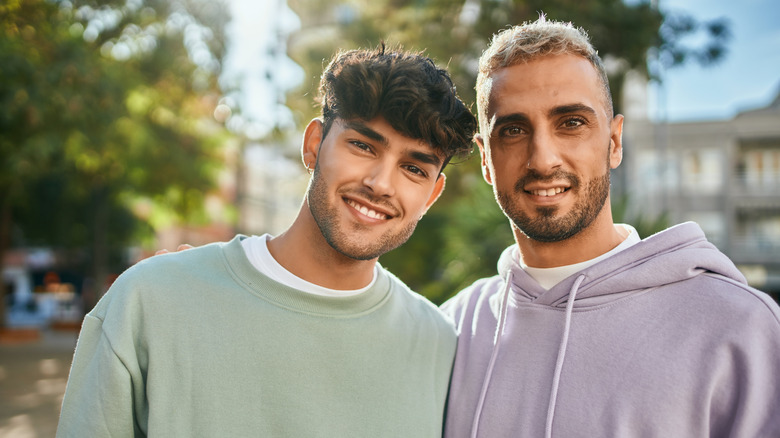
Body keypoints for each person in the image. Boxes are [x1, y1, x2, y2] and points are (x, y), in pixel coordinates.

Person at [56, 45, 477, 437]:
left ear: (432, 196)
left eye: (415, 169)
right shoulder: (150, 300)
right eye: (363, 145)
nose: (380, 183)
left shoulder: (438, 345)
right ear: (314, 145)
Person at [440, 17, 780, 437]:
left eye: (571, 123)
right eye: (512, 130)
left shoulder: (738, 327)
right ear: (486, 160)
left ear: (614, 142)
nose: (543, 159)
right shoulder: (451, 330)